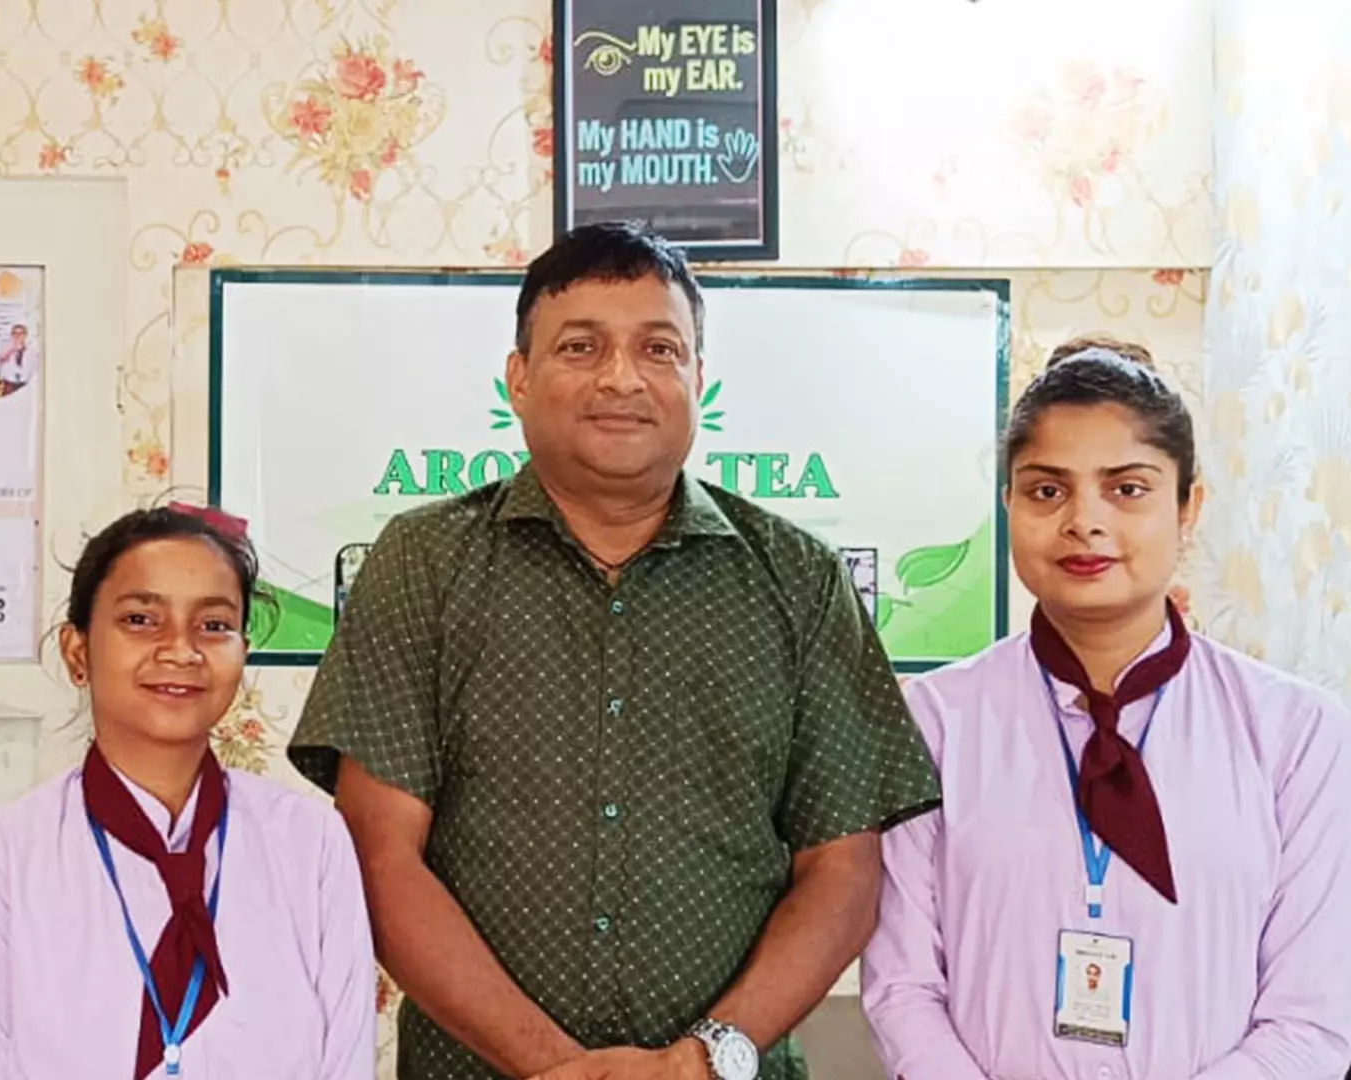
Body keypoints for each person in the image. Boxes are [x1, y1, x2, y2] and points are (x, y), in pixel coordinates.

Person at [288, 221, 942, 1080]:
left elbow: (843, 872)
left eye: (659, 348)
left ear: (699, 379)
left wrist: (699, 1063)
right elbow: (380, 855)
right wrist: (554, 1067)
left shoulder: (799, 580)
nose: (622, 378)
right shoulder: (423, 565)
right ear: (517, 379)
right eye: (580, 346)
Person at [859, 338, 1351, 1079]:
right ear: (1009, 504)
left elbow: (1311, 1020)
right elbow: (902, 987)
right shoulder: (931, 722)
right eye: (1047, 490)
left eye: (1127, 489)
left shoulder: (1300, 735)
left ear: (1190, 507)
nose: (1084, 521)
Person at [0, 504, 376, 1080]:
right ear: (78, 652)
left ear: (242, 651)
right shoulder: (0, 861)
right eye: (141, 620)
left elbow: (345, 1062)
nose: (181, 650)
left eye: (214, 625)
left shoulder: (311, 844)